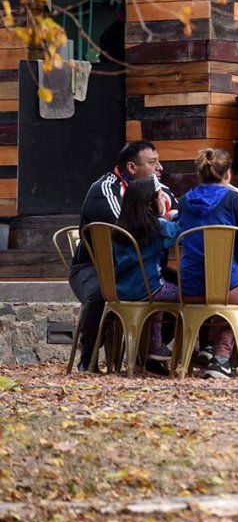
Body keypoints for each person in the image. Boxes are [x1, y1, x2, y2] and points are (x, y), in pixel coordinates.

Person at [69, 140, 177, 372]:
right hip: (95, 266)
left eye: (158, 162)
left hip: (141, 267)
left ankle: (151, 352)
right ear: (131, 168)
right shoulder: (104, 189)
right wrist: (161, 221)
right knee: (101, 292)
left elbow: (179, 214)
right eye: (152, 162)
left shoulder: (159, 189)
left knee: (186, 285)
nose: (160, 168)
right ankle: (87, 359)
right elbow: (127, 230)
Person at [177, 148, 238, 380]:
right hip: (227, 287)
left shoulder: (184, 201)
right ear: (228, 174)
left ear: (199, 175)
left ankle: (205, 348)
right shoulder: (235, 200)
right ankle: (221, 357)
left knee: (210, 291)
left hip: (190, 286)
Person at [112, 178, 181, 370]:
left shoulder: (119, 226)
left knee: (160, 296)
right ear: (150, 203)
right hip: (150, 289)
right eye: (160, 197)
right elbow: (179, 233)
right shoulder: (157, 225)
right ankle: (190, 352)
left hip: (121, 290)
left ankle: (155, 345)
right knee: (188, 294)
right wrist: (175, 215)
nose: (164, 200)